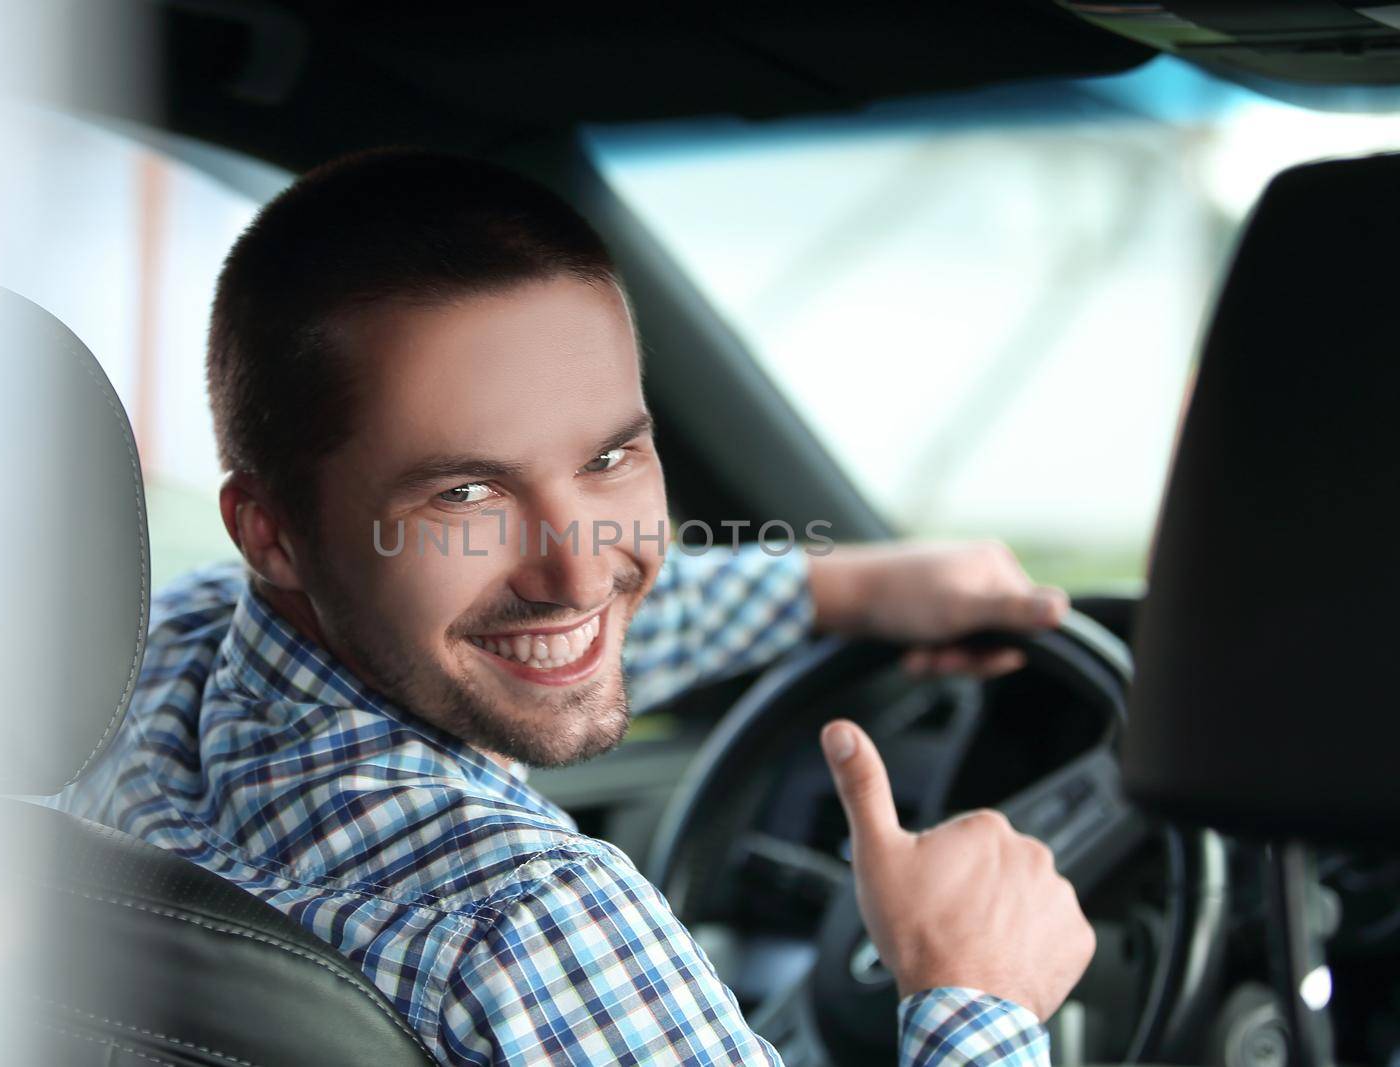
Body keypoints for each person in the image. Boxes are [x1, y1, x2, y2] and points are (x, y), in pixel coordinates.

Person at [58, 148, 1095, 1065]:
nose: (580, 570)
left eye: (609, 457)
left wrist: (846, 585)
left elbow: (525, 608)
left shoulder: (159, 652)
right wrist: (973, 989)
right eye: (464, 492)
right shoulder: (530, 921)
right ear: (271, 531)